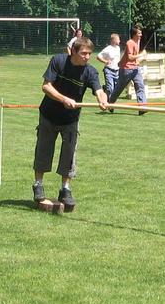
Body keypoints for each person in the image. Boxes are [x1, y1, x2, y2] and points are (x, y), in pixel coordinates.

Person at [32, 36, 109, 209]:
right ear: (73, 51)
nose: (87, 57)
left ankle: (65, 189)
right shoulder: (58, 61)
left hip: (71, 119)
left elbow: (98, 90)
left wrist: (103, 100)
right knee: (44, 149)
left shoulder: (90, 71)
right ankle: (38, 185)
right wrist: (64, 99)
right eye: (83, 53)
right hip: (49, 114)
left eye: (89, 53)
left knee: (69, 154)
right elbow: (46, 86)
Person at [108, 26, 146, 107]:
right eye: (139, 33)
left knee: (140, 86)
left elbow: (130, 57)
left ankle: (142, 107)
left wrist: (137, 61)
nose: (141, 35)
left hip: (135, 69)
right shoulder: (130, 43)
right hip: (126, 70)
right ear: (134, 34)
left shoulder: (137, 42)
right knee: (119, 88)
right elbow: (129, 57)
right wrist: (141, 55)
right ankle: (110, 103)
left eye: (141, 33)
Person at [96, 33, 122, 100]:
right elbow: (98, 56)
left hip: (117, 71)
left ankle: (105, 89)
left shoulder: (118, 48)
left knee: (116, 89)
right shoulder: (108, 49)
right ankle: (110, 104)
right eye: (118, 39)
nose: (120, 41)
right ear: (114, 40)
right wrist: (105, 61)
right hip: (109, 70)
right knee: (111, 88)